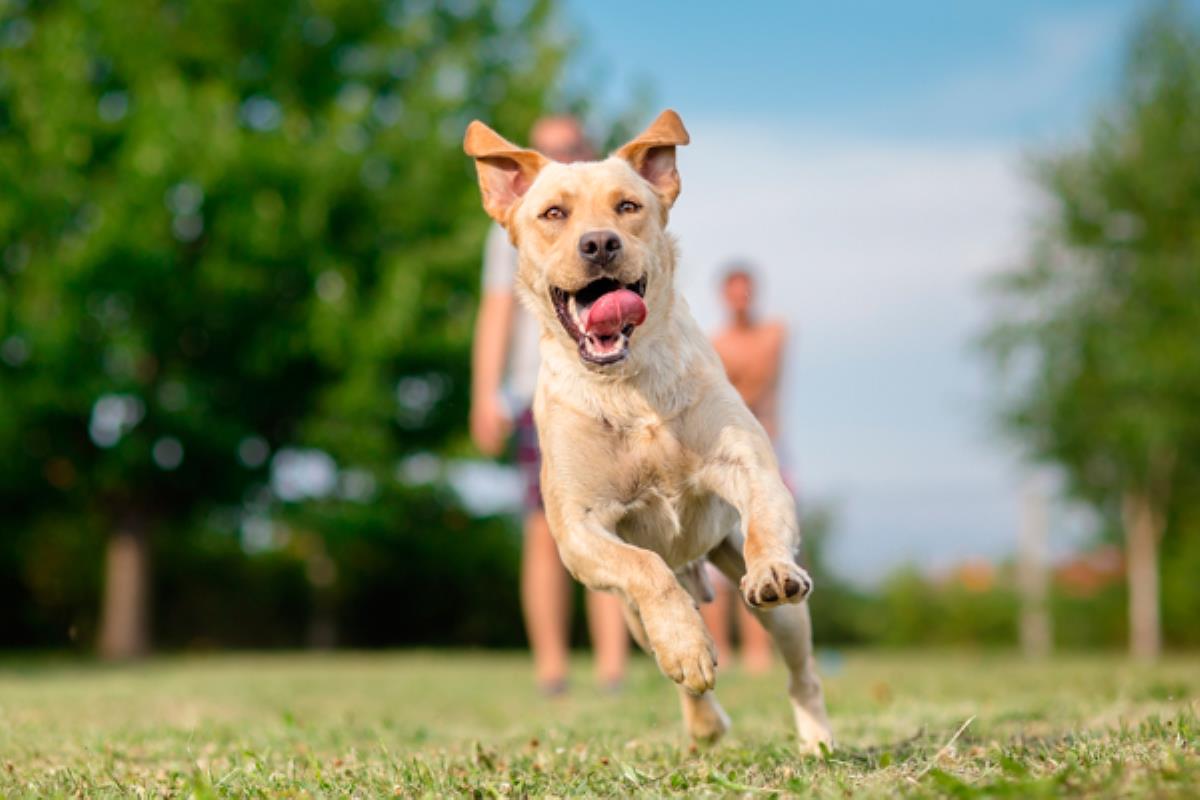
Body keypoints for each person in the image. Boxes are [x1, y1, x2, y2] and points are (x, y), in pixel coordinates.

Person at [470, 115, 628, 694]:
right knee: (545, 529)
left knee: (609, 524)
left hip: (607, 383)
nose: (562, 156)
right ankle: (552, 669)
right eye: (550, 149)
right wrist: (484, 394)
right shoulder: (516, 221)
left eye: (572, 147)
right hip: (539, 392)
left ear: (588, 151)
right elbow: (497, 311)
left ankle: (613, 669)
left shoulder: (610, 217)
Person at [702, 265, 789, 674]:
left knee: (767, 545)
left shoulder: (774, 334)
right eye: (734, 293)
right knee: (717, 552)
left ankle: (759, 651)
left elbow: (757, 385)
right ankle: (723, 648)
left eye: (746, 292)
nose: (741, 300)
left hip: (769, 446)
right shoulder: (714, 342)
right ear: (724, 297)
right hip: (726, 446)